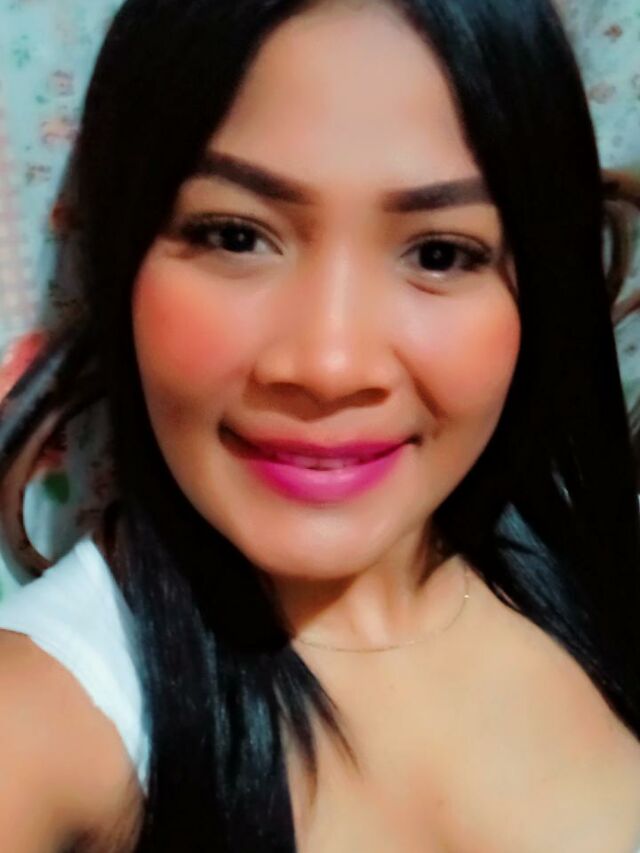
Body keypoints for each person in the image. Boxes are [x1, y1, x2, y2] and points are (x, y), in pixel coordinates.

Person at [0, 0, 640, 850]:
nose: (330, 366)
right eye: (235, 236)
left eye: (440, 253)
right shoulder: (48, 715)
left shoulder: (592, 567)